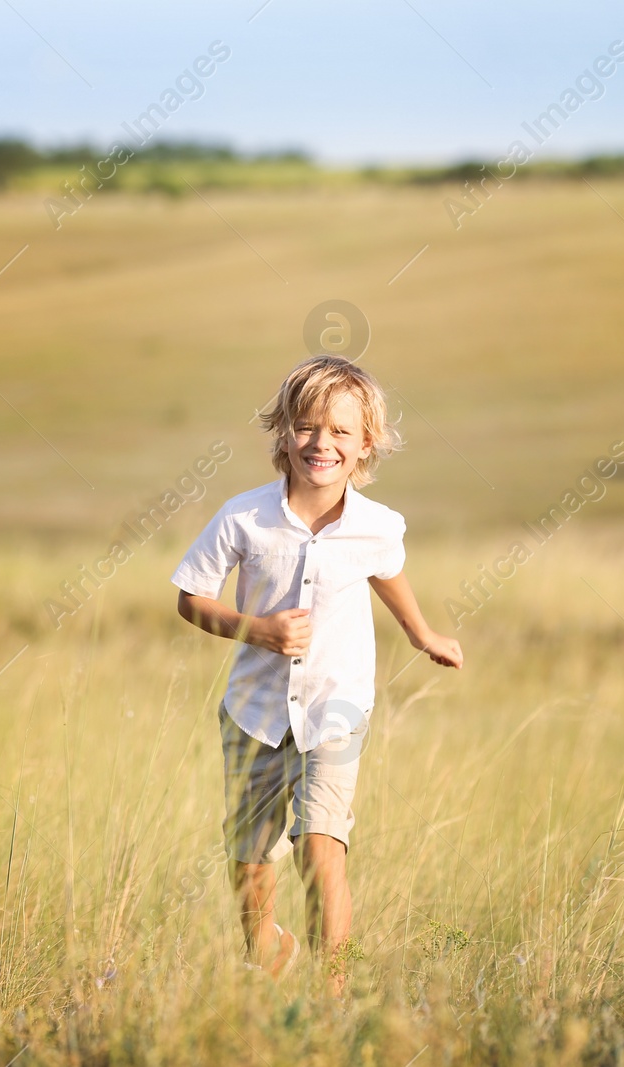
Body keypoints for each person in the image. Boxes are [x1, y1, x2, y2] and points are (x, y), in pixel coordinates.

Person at [171, 354, 463, 994]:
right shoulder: (244, 517)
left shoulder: (377, 526)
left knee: (321, 848)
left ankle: (334, 1001)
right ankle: (266, 953)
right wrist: (257, 629)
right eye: (306, 427)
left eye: (340, 432)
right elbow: (191, 598)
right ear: (283, 433)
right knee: (249, 860)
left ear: (366, 445)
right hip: (254, 712)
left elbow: (387, 572)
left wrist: (422, 634)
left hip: (337, 709)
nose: (321, 443)